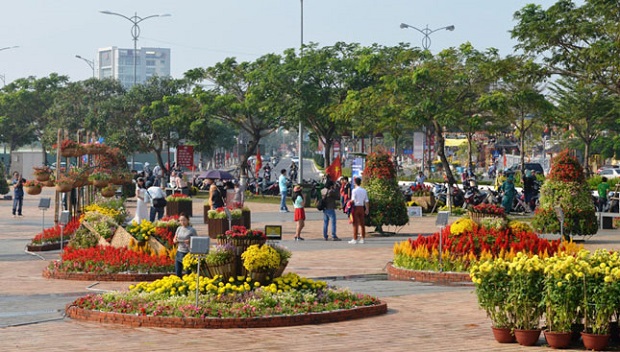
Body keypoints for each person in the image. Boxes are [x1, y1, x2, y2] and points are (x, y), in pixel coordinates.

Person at [172, 213, 197, 277]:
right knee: (178, 272)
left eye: (184, 220)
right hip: (179, 252)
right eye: (180, 220)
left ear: (188, 220)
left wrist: (190, 241)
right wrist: (175, 240)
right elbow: (175, 237)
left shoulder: (192, 230)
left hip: (188, 253)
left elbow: (196, 240)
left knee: (188, 273)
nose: (182, 222)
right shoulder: (179, 228)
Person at [349, 177, 369, 244]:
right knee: (362, 224)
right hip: (362, 207)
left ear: (355, 183)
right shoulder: (364, 190)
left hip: (356, 208)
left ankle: (355, 239)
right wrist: (367, 209)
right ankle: (362, 238)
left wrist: (348, 203)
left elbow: (353, 200)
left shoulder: (354, 190)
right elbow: (366, 201)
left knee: (355, 224)